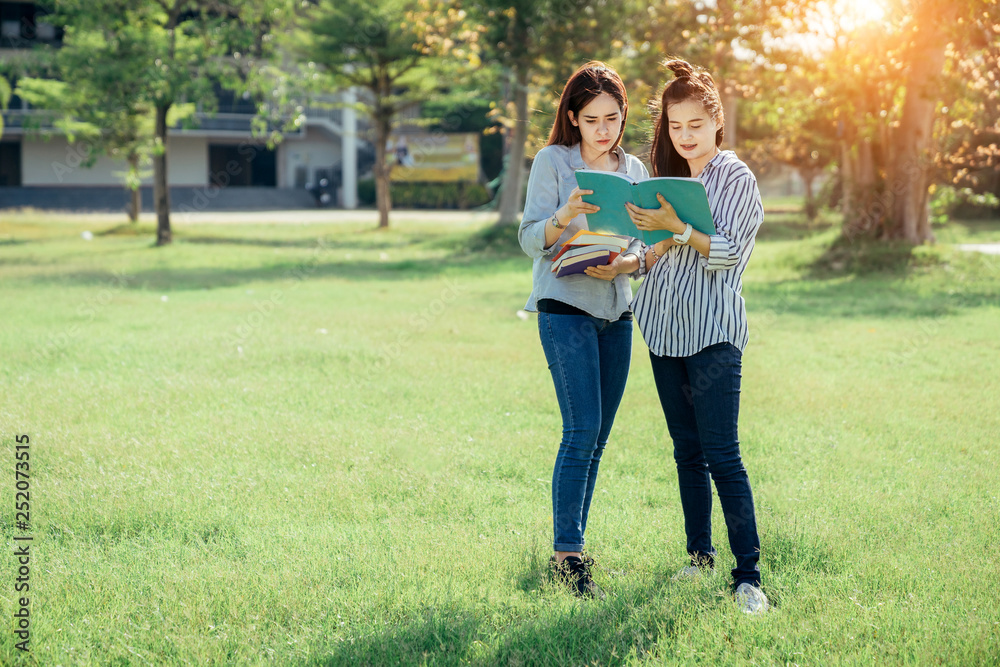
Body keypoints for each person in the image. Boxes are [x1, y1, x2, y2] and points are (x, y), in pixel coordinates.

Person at [625, 59, 769, 614]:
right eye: (674, 127)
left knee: (723, 454)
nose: (684, 136)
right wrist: (631, 260)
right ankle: (699, 556)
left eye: (694, 125)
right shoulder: (673, 182)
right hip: (663, 331)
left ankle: (749, 577)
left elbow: (731, 253)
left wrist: (679, 230)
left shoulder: (735, 177)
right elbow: (658, 255)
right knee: (687, 453)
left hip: (712, 336)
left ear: (716, 122)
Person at [517, 61, 647, 599]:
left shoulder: (635, 169)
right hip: (563, 304)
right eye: (591, 118)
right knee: (581, 428)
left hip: (616, 311)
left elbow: (646, 244)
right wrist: (567, 212)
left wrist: (629, 263)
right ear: (573, 117)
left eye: (612, 118)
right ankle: (566, 557)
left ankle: (575, 548)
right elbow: (529, 237)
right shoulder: (553, 162)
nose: (603, 129)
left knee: (598, 437)